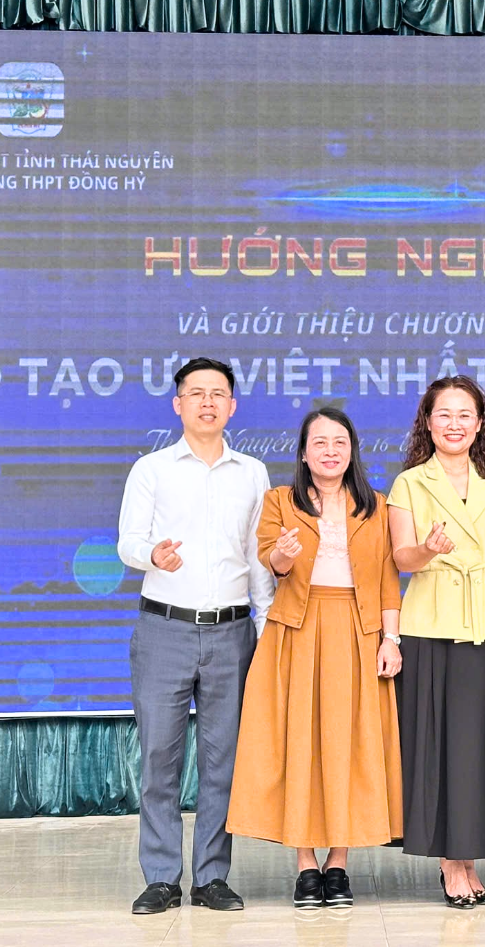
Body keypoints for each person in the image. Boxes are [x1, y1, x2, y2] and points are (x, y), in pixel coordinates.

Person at [226, 406, 404, 909]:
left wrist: (391, 639)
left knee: (349, 745)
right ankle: (306, 865)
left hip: (356, 630)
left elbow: (388, 580)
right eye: (319, 442)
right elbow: (271, 562)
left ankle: (338, 863)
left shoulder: (376, 505)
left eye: (339, 442)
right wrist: (283, 554)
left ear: (352, 451)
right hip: (296, 631)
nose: (330, 451)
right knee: (298, 743)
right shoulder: (280, 501)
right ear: (304, 453)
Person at [116, 357, 273, 915]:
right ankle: (161, 877)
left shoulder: (252, 473)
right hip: (165, 628)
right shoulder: (152, 470)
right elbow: (127, 541)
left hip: (232, 632)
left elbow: (258, 558)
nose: (208, 402)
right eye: (196, 392)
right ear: (178, 404)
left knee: (222, 760)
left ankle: (211, 877)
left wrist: (266, 625)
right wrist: (151, 554)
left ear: (232, 406)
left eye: (218, 393)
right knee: (159, 757)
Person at [387, 375, 485, 907]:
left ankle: (470, 858)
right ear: (427, 423)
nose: (454, 424)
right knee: (442, 745)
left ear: (480, 423)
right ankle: (451, 863)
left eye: (464, 414)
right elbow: (401, 558)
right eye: (443, 414)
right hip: (432, 623)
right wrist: (428, 549)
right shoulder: (409, 484)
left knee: (484, 746)